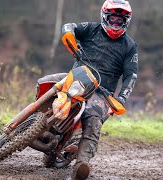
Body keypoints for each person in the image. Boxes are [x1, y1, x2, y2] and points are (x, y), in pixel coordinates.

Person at [38, 0, 138, 179]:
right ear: (105, 17)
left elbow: (131, 75)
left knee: (93, 119)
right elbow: (70, 26)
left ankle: (81, 164)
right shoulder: (92, 29)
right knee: (45, 82)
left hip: (101, 91)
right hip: (75, 76)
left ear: (126, 22)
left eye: (119, 21)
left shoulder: (129, 46)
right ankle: (35, 121)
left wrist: (121, 98)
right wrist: (68, 33)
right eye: (113, 19)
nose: (115, 23)